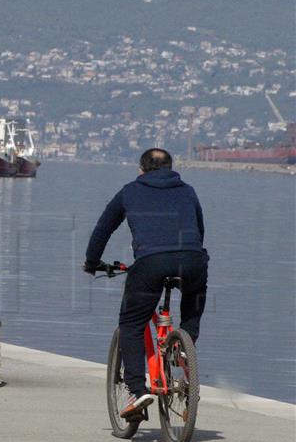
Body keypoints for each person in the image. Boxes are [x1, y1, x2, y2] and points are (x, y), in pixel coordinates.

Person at [83, 148, 209, 419]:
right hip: (192, 259)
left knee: (131, 324)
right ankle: (186, 344)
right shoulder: (187, 190)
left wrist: (92, 262)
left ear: (141, 170)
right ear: (171, 168)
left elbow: (103, 229)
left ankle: (137, 391)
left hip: (150, 264)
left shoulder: (130, 190)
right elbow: (199, 229)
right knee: (194, 298)